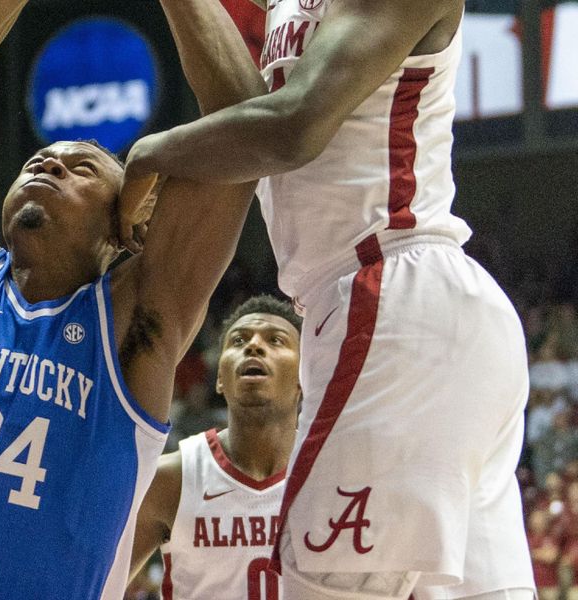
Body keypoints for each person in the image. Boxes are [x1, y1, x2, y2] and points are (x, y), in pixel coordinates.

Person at [0, 0, 265, 598]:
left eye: (83, 168)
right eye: (40, 160)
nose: (50, 161)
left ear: (125, 226)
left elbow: (245, 123)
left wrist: (151, 154)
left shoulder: (133, 323)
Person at [118, 0, 535, 599]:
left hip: (391, 291)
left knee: (320, 586)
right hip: (396, 316)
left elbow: (294, 126)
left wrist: (148, 154)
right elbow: (247, 113)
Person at [129, 295, 302, 599]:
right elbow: (98, 585)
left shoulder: (331, 475)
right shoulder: (173, 478)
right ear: (220, 378)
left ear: (305, 377)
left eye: (276, 340)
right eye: (238, 340)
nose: (254, 346)